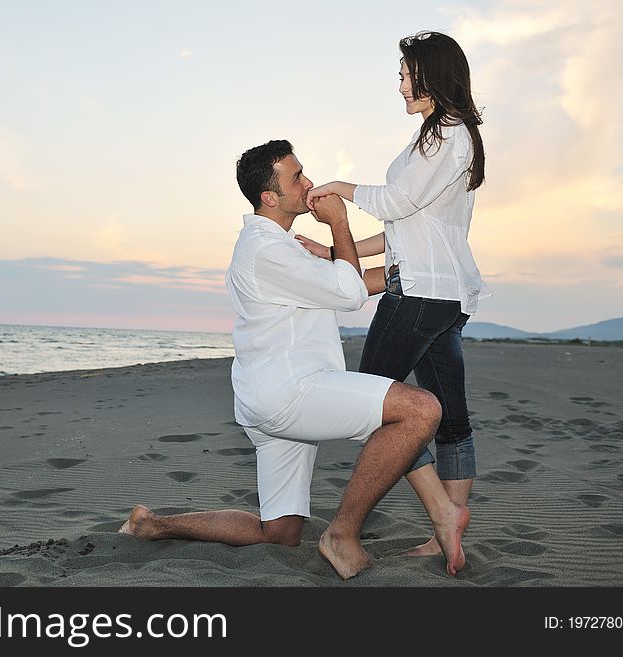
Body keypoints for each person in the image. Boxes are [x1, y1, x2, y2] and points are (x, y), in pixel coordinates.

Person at [121, 139, 469, 580]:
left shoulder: (277, 247)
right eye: (297, 177)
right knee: (421, 410)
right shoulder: (267, 249)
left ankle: (151, 525)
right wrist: (339, 223)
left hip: (266, 399)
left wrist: (425, 275)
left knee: (279, 531)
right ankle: (342, 534)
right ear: (270, 197)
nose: (308, 183)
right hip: (291, 393)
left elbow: (351, 282)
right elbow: (346, 292)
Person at [299, 30, 489, 561]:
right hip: (438, 294)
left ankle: (444, 514)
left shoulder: (449, 134)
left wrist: (341, 189)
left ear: (432, 74)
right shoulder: (437, 136)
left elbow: (398, 202)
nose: (401, 84)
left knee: (372, 405)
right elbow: (406, 232)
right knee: (450, 418)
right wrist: (337, 250)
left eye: (406, 74)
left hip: (423, 297)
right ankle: (444, 530)